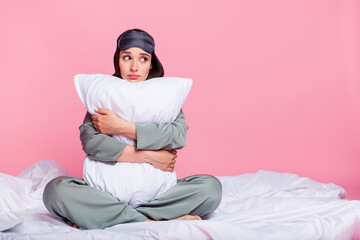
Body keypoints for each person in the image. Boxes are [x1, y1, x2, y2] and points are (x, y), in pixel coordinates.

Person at [43, 29, 222, 230]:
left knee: (210, 188)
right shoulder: (103, 94)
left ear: (151, 63)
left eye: (143, 59)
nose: (134, 67)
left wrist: (122, 128)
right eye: (127, 57)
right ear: (117, 61)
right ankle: (149, 221)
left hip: (158, 197)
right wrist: (149, 156)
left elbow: (177, 135)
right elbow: (92, 143)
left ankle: (101, 216)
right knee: (55, 190)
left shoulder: (164, 97)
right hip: (103, 194)